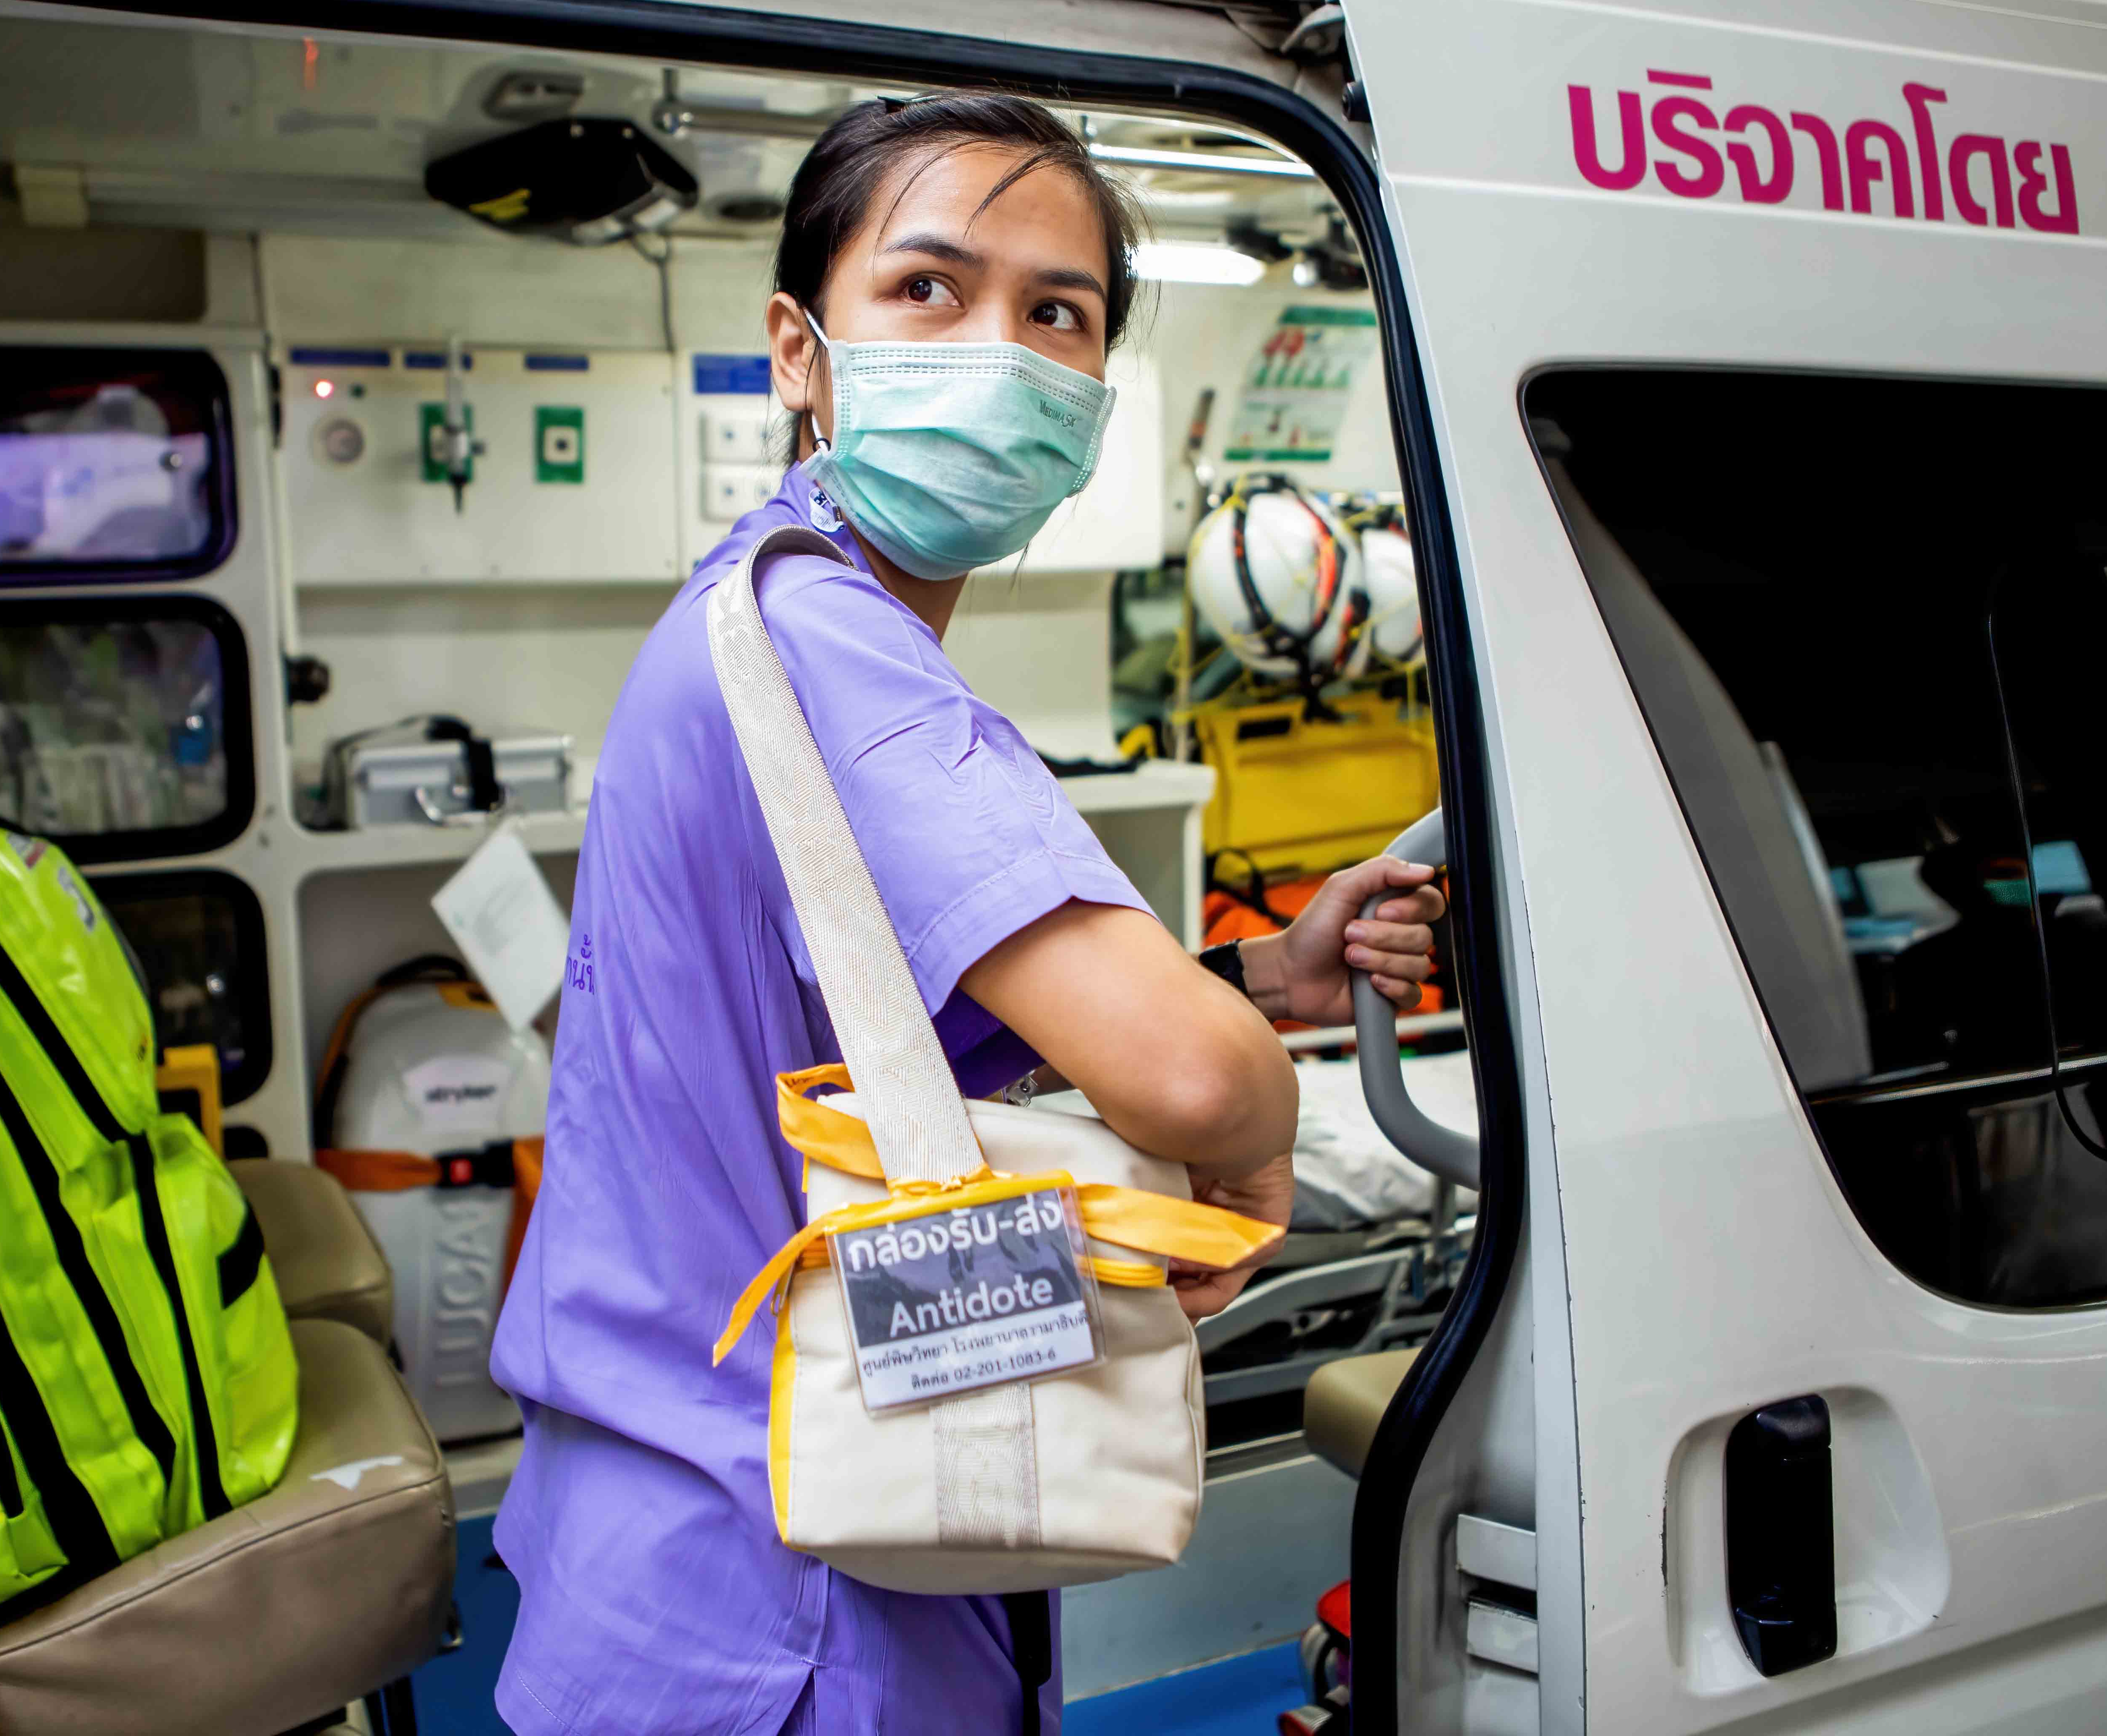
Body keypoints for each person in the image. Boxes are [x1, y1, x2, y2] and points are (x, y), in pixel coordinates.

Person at [486, 91, 1446, 1735]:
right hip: (785, 1596)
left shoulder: (758, 606)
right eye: (929, 289)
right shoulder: (827, 636)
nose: (997, 349)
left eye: (1056, 313)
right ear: (802, 346)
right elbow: (1194, 1087)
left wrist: (1257, 973)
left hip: (693, 1547)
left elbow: (884, 1025)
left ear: (1091, 397)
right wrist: (1256, 1098)